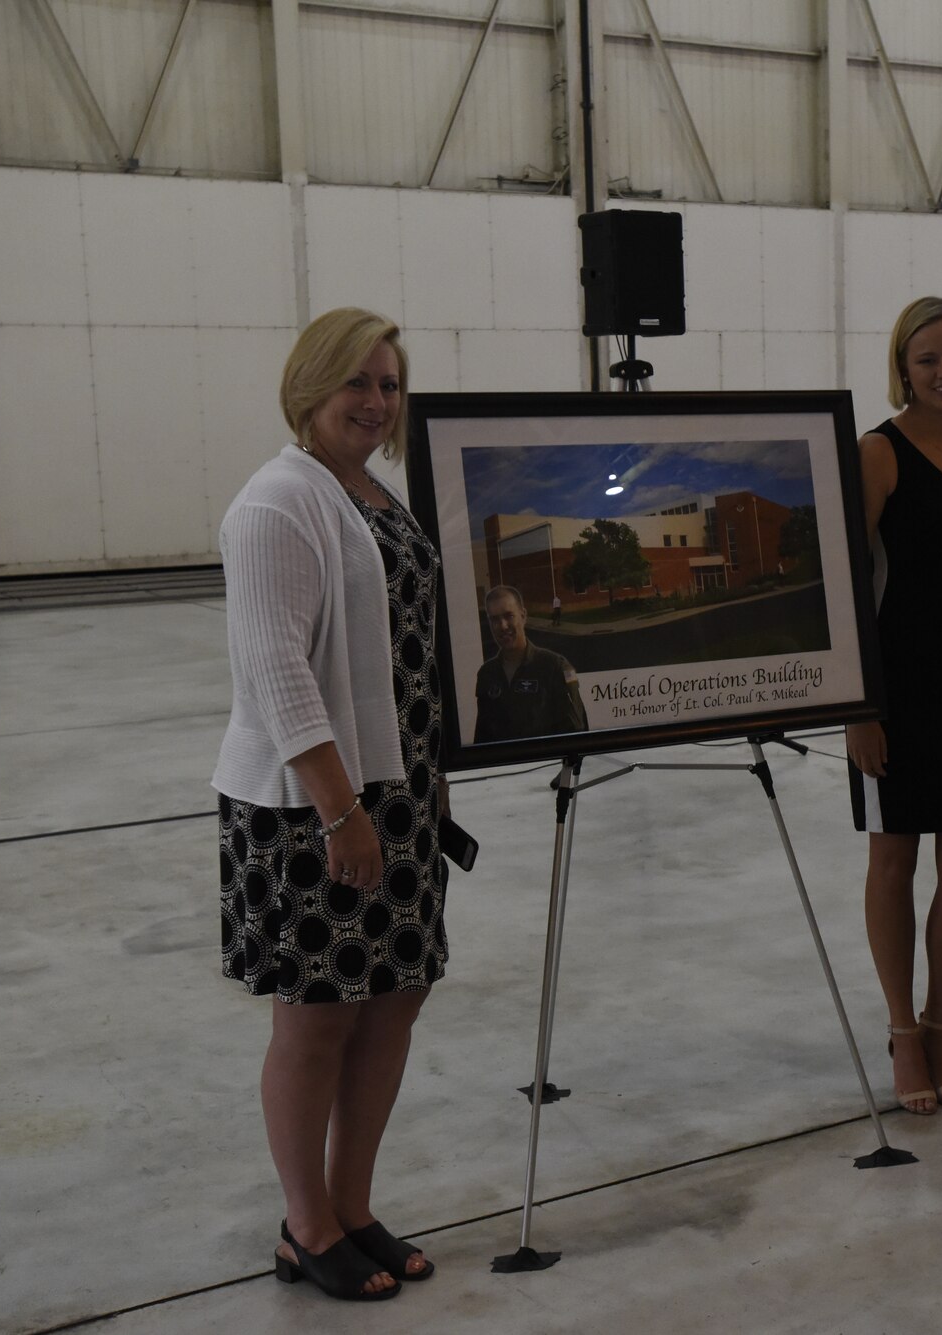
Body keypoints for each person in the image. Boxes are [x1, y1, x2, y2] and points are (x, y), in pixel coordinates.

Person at [213, 307, 445, 1302]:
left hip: (401, 795)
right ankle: (304, 1222)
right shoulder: (277, 503)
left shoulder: (372, 495)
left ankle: (352, 1205)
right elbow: (275, 672)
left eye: (388, 384)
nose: (375, 400)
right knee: (317, 1016)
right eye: (357, 381)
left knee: (392, 998)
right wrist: (341, 812)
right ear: (309, 385)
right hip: (315, 806)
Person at [846, 296, 942, 1115]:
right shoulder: (878, 450)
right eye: (928, 359)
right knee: (894, 859)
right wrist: (858, 705)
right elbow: (842, 582)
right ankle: (903, 1029)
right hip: (893, 687)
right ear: (903, 367)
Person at [472, 585, 589, 743]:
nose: (503, 626)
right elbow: (482, 738)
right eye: (495, 619)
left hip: (547, 766)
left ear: (523, 616)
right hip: (502, 767)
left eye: (509, 616)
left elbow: (576, 732)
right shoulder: (486, 673)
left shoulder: (555, 667)